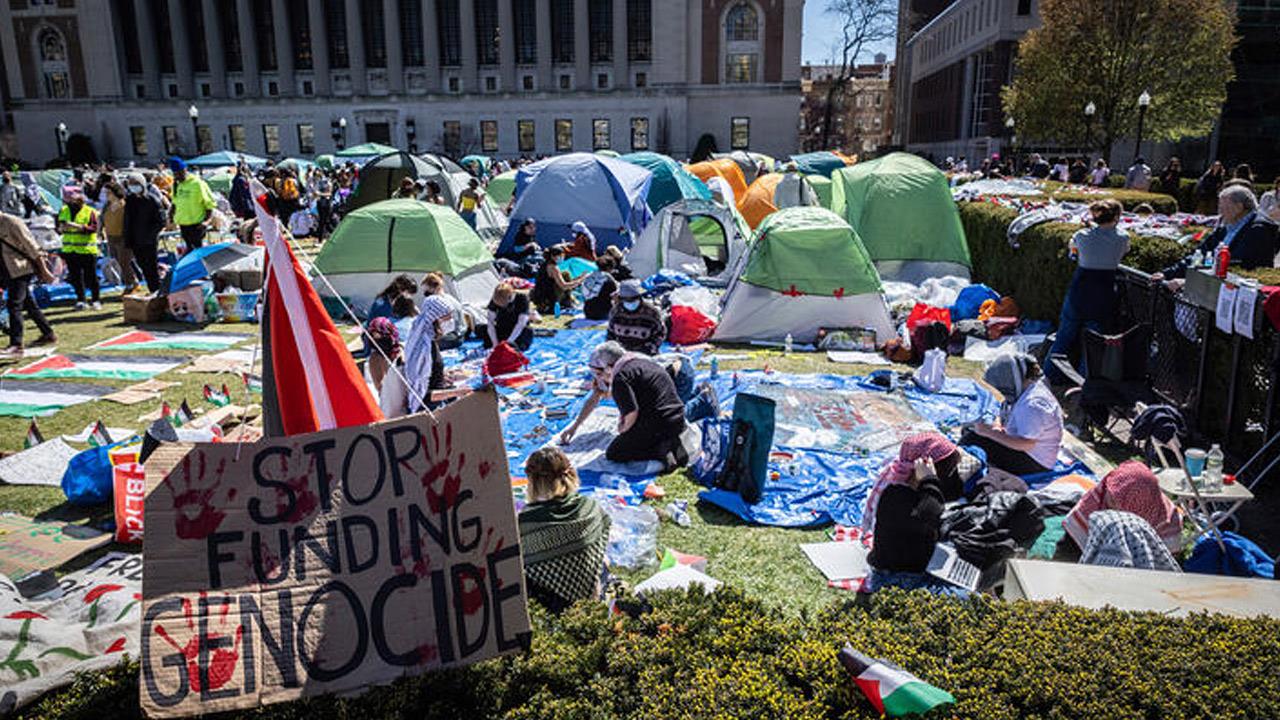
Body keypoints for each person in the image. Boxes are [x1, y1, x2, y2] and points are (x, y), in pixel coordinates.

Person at [860, 434, 970, 598]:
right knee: (969, 598)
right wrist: (929, 479)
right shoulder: (895, 496)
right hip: (896, 579)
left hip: (917, 566)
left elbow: (950, 494)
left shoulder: (917, 489)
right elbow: (930, 514)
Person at [559, 341, 689, 469]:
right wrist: (574, 427)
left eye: (599, 374)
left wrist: (623, 430)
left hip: (659, 422)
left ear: (609, 367)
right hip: (678, 418)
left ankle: (660, 449)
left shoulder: (620, 377)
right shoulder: (638, 361)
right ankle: (670, 440)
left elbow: (631, 413)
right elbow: (595, 397)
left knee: (615, 453)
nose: (599, 379)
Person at [518, 447, 611, 613]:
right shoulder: (589, 506)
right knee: (603, 560)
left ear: (533, 481)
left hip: (557, 606)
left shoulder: (526, 522)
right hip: (595, 590)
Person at [1046, 199, 1129, 382]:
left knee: (1065, 335)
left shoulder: (1081, 235)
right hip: (1104, 292)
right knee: (1093, 342)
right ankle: (1085, 382)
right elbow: (1122, 250)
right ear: (1116, 217)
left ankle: (1050, 373)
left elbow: (1073, 249)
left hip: (1080, 289)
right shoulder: (1123, 237)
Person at [961, 353, 1063, 476]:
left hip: (1035, 462)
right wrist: (996, 426)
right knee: (971, 430)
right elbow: (1004, 410)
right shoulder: (1026, 389)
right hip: (1024, 449)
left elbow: (1027, 444)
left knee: (972, 439)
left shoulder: (1033, 405)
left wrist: (990, 433)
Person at [1156, 185, 1279, 284]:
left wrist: (1188, 282)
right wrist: (1167, 274)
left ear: (1239, 207)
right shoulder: (1227, 227)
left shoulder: (1258, 230)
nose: (1219, 211)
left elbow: (1238, 267)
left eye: (1223, 206)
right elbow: (1199, 255)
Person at [1064, 461, 1182, 554]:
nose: (1107, 498)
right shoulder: (1101, 495)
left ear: (1134, 507)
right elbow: (1075, 528)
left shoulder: (1165, 523)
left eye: (1115, 500)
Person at [0, 212, 56, 356]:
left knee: (14, 305)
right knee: (29, 304)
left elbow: (31, 246)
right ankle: (48, 333)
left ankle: (16, 344)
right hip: (6, 270)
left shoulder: (11, 222)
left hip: (21, 269)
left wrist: (44, 270)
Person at [403, 294, 456, 413]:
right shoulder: (423, 349)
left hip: (438, 399)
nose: (450, 321)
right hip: (428, 410)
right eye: (447, 318)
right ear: (435, 318)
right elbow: (423, 396)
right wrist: (459, 391)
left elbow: (430, 375)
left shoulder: (429, 339)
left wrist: (443, 376)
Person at [57, 185, 101, 310]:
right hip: (70, 250)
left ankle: (96, 300)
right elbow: (59, 227)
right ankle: (81, 299)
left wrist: (77, 226)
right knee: (75, 277)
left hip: (87, 249)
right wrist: (61, 228)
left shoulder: (90, 211)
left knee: (91, 276)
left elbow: (93, 228)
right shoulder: (63, 210)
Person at [121, 172, 165, 293]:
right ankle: (153, 290)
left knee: (151, 267)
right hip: (135, 240)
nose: (132, 186)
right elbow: (127, 221)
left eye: (135, 184)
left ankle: (157, 290)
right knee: (143, 267)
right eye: (130, 184)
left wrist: (150, 235)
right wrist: (128, 239)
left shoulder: (152, 200)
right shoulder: (130, 200)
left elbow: (161, 221)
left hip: (149, 241)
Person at [607, 279, 666, 355]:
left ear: (639, 297)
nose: (630, 302)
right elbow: (610, 334)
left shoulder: (652, 312)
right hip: (622, 354)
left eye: (633, 298)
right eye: (626, 299)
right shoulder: (616, 312)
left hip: (646, 354)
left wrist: (651, 347)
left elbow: (660, 333)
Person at [366, 316, 409, 417]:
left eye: (381, 337)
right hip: (391, 406)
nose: (377, 342)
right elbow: (380, 387)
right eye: (374, 338)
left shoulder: (401, 350)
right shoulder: (376, 358)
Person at [169, 157, 216, 250]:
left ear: (185, 170)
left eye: (179, 173)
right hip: (183, 225)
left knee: (199, 251)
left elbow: (209, 204)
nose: (178, 176)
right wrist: (170, 216)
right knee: (189, 251)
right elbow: (174, 203)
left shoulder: (197, 183)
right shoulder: (176, 185)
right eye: (175, 174)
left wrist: (206, 222)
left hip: (197, 225)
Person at [99, 182, 135, 293]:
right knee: (119, 262)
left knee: (125, 262)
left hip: (123, 237)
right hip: (111, 237)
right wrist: (99, 231)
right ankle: (133, 281)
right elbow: (101, 219)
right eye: (106, 193)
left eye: (109, 192)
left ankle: (130, 284)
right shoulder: (106, 206)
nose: (107, 195)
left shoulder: (124, 205)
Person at [421, 271, 469, 348]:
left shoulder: (439, 302)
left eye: (427, 291)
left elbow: (447, 326)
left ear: (435, 288)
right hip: (460, 335)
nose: (425, 294)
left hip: (453, 338)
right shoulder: (449, 298)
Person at [530, 245, 584, 314]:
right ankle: (565, 302)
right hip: (548, 299)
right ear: (553, 256)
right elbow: (563, 286)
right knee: (566, 275)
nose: (562, 258)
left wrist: (577, 279)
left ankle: (568, 300)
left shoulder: (545, 264)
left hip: (540, 297)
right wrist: (578, 281)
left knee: (565, 274)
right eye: (561, 256)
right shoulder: (553, 268)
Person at [484, 281, 534, 350]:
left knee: (527, 332)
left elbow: (521, 324)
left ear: (510, 298)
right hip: (503, 327)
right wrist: (495, 343)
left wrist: (509, 342)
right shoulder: (495, 299)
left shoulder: (522, 299)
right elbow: (490, 323)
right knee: (484, 331)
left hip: (517, 331)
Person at [581, 255, 619, 321]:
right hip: (602, 312)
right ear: (609, 267)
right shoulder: (608, 279)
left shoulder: (590, 275)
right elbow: (616, 297)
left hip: (587, 311)